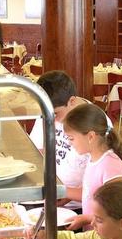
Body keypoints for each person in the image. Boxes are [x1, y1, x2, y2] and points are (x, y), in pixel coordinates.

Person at [63, 103, 122, 230]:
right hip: (93, 235)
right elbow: (90, 193)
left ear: (91, 136)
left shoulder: (110, 166)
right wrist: (65, 194)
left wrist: (86, 219)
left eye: (71, 138)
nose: (70, 143)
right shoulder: (93, 158)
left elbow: (117, 213)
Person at [29, 71, 88, 208]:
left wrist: (68, 194)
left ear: (72, 101)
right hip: (51, 197)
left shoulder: (93, 122)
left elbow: (100, 178)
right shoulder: (48, 112)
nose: (50, 119)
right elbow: (38, 151)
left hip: (79, 204)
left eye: (55, 114)